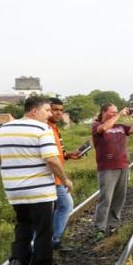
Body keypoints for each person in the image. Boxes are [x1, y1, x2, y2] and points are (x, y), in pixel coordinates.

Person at [0, 95, 71, 265]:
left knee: (23, 226)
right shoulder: (42, 129)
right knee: (44, 232)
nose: (49, 114)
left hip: (15, 191)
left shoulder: (4, 129)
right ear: (34, 111)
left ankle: (17, 260)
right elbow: (51, 159)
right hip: (39, 192)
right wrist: (65, 179)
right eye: (47, 110)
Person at [91, 103, 133, 238]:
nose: (115, 114)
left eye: (116, 112)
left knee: (119, 198)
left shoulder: (120, 127)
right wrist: (119, 114)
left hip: (122, 165)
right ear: (103, 112)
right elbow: (103, 128)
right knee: (106, 198)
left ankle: (113, 224)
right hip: (107, 167)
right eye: (112, 112)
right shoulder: (96, 125)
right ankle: (99, 227)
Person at [47, 98, 84, 252]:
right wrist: (64, 179)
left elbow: (54, 152)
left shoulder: (54, 128)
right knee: (66, 205)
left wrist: (67, 155)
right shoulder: (45, 128)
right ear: (46, 110)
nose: (59, 113)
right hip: (52, 177)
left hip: (55, 176)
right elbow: (49, 157)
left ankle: (50, 240)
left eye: (61, 110)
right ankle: (54, 239)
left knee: (57, 208)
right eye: (55, 109)